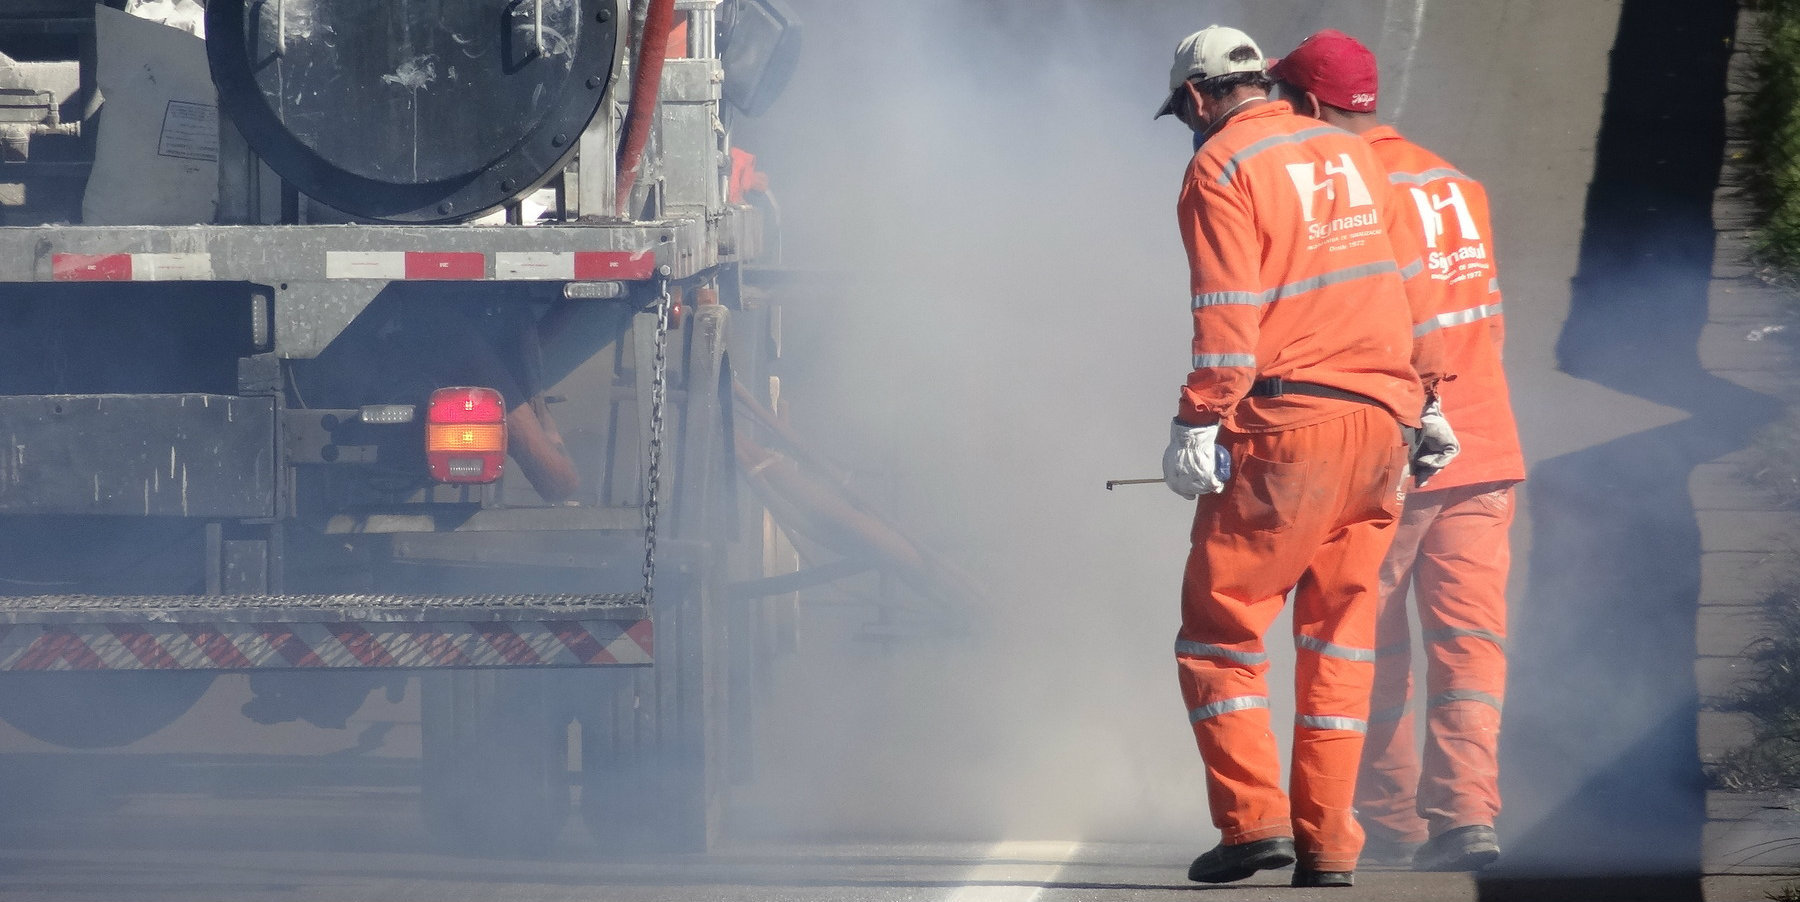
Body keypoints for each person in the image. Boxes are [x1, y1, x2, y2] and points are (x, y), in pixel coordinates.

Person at [1154, 24, 1455, 889]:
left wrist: (1197, 422)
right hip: (1384, 430)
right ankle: (1328, 846)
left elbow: (1228, 312)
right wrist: (1431, 403)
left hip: (1287, 427)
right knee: (1340, 647)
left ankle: (1252, 825)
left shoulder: (1221, 167)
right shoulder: (1356, 154)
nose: (1190, 126)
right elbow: (1419, 290)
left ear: (1201, 97)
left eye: (1185, 112)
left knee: (1222, 630)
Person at [1270, 29, 1525, 873]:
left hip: (1392, 447)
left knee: (1362, 639)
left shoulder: (1338, 188)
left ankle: (1387, 819)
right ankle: (1466, 818)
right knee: (1469, 647)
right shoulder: (1458, 182)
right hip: (1486, 448)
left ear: (1306, 105)